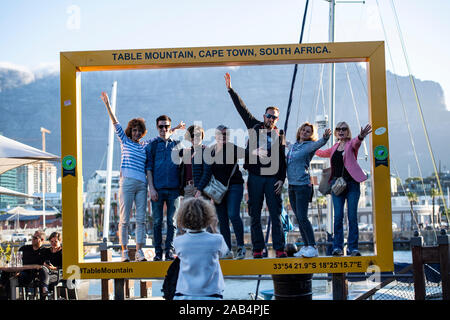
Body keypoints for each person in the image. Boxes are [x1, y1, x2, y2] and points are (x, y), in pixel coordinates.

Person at [225, 72, 287, 258]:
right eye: (269, 116)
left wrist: (282, 179)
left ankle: (280, 248)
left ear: (277, 119)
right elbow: (242, 109)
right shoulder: (254, 125)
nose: (271, 119)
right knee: (255, 215)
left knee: (275, 215)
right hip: (255, 177)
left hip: (272, 179)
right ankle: (258, 249)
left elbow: (283, 159)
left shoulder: (280, 135)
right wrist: (230, 90)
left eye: (274, 117)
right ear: (264, 116)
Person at [101, 92, 148, 262]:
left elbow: (160, 138)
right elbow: (115, 123)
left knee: (141, 219)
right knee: (124, 219)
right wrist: (107, 105)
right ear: (130, 131)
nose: (136, 133)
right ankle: (124, 252)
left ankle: (139, 251)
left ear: (142, 132)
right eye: (134, 130)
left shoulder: (145, 145)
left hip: (142, 184)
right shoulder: (124, 141)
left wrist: (174, 129)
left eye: (139, 131)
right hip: (127, 183)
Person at [315, 122, 372, 256]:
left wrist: (361, 136)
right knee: (338, 216)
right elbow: (320, 153)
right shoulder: (334, 147)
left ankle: (353, 248)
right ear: (335, 132)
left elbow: (356, 143)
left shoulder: (351, 144)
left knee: (352, 216)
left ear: (348, 131)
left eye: (344, 129)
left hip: (352, 184)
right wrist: (313, 142)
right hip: (336, 184)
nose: (341, 131)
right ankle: (338, 248)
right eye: (338, 129)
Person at [286, 123, 331, 258]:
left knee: (303, 217)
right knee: (299, 219)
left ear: (311, 135)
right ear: (299, 131)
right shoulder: (293, 146)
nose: (305, 132)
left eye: (308, 131)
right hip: (292, 186)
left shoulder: (309, 146)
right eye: (303, 130)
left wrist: (325, 138)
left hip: (302, 186)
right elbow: (286, 144)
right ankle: (306, 246)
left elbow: (320, 143)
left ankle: (312, 246)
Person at [146, 115, 185, 261]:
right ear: (157, 127)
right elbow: (148, 168)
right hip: (157, 189)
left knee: (172, 222)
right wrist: (152, 188)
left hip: (174, 190)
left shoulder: (178, 145)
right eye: (161, 126)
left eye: (166, 126)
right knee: (156, 221)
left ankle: (169, 251)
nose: (164, 129)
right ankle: (157, 252)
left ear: (170, 127)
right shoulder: (153, 146)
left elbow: (187, 162)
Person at [173, 197, 228, 300]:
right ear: (208, 217)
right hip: (211, 294)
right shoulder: (217, 239)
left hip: (183, 294)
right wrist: (215, 229)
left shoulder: (178, 242)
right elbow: (224, 253)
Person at [208, 125, 246, 259]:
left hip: (234, 186)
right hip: (218, 190)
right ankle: (227, 250)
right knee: (222, 220)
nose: (222, 136)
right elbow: (208, 172)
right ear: (215, 136)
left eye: (225, 134)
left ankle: (241, 247)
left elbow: (248, 155)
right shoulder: (210, 151)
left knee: (233, 214)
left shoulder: (233, 148)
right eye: (220, 134)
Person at [179, 125, 212, 199]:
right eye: (192, 135)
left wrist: (199, 189)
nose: (195, 137)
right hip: (188, 189)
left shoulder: (206, 151)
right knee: (188, 210)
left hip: (200, 189)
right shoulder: (188, 151)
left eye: (197, 135)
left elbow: (207, 172)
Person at [18, 230, 49, 300]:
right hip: (24, 273)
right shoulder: (24, 248)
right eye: (32, 237)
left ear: (42, 240)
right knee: (9, 275)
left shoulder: (45, 251)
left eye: (35, 238)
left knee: (42, 272)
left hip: (38, 276)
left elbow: (46, 266)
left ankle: (44, 292)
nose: (32, 239)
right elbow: (17, 261)